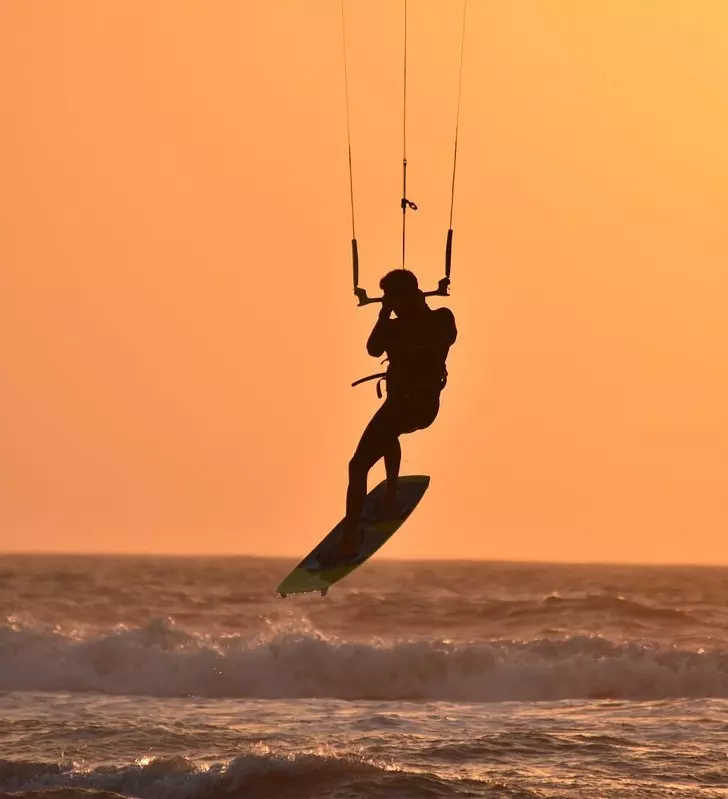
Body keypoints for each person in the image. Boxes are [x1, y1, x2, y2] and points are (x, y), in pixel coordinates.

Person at [333, 268, 457, 563]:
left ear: (404, 297)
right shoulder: (439, 318)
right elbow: (374, 350)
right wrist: (397, 311)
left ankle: (351, 536)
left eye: (391, 297)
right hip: (424, 409)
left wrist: (386, 315)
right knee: (390, 430)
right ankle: (389, 496)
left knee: (358, 464)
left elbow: (376, 347)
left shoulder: (424, 322)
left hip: (410, 405)